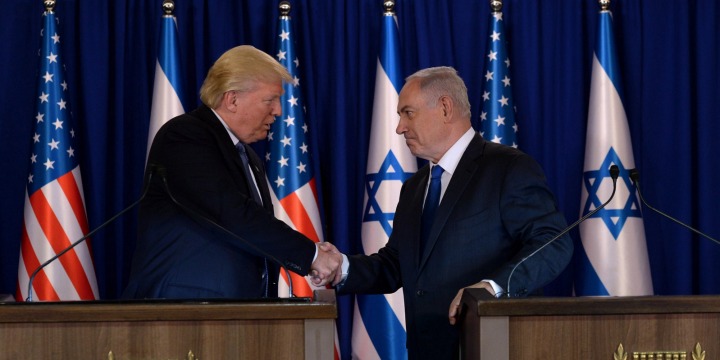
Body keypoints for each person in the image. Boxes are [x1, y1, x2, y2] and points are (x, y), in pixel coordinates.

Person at [322, 66, 573, 359]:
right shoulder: (414, 188)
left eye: (408, 113)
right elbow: (395, 265)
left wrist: (492, 287)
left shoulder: (507, 169)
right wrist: (343, 268)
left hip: (493, 346)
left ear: (444, 107)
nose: (399, 127)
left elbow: (553, 242)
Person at [123, 45, 341, 299]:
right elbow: (230, 213)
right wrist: (310, 255)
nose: (279, 111)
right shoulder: (184, 136)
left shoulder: (247, 155)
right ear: (233, 99)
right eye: (270, 99)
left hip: (233, 312)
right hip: (181, 313)